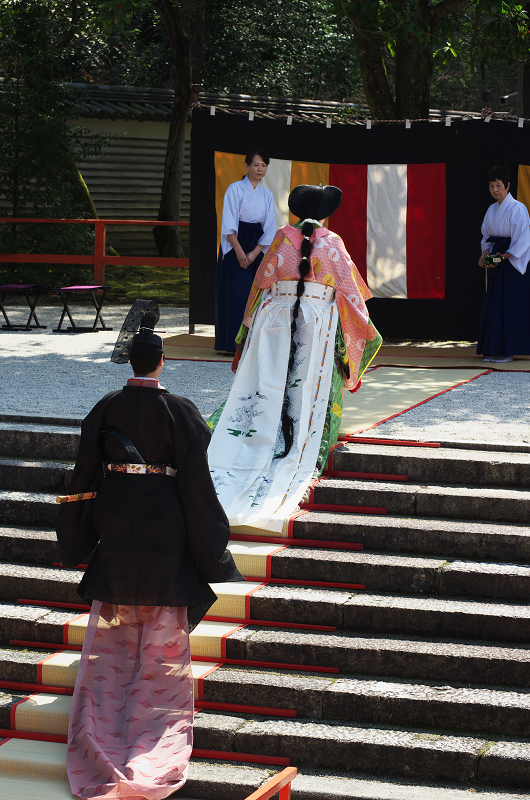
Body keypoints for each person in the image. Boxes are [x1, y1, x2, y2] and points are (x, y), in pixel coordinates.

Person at [56, 303, 242, 800]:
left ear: (132, 362)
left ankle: (108, 696)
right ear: (161, 362)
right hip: (163, 518)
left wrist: (76, 535)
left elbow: (83, 473)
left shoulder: (107, 406)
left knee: (116, 614)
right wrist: (213, 550)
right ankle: (152, 701)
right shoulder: (180, 410)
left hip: (115, 515)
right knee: (163, 616)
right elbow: (198, 487)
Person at [208, 184, 382, 532]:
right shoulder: (332, 242)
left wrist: (247, 330)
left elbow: (260, 286)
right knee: (309, 389)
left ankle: (258, 436)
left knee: (266, 384)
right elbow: (351, 294)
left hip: (274, 319)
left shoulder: (279, 239)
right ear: (325, 211)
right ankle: (300, 441)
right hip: (316, 322)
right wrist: (365, 331)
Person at [214, 148, 277, 354]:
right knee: (235, 293)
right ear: (247, 166)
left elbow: (269, 227)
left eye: (264, 165)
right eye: (256, 165)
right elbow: (229, 224)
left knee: (255, 293)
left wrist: (255, 252)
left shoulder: (267, 195)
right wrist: (240, 252)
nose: (260, 169)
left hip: (256, 244)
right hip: (236, 243)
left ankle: (250, 343)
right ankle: (230, 343)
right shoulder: (234, 189)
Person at [477, 165, 530, 363]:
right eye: (491, 186)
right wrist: (485, 255)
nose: (495, 190)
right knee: (494, 306)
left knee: (509, 306)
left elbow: (523, 241)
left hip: (511, 263)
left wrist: (504, 257)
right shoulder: (491, 210)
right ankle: (494, 349)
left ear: (507, 186)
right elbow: (485, 237)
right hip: (496, 260)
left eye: (498, 185)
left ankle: (507, 351)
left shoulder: (518, 208)